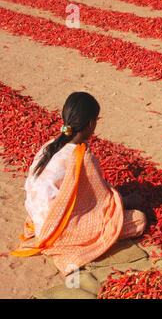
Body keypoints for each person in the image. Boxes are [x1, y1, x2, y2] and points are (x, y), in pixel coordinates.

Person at [10, 92, 147, 275]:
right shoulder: (83, 157)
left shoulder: (49, 146)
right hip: (56, 231)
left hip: (40, 221)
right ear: (91, 124)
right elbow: (102, 202)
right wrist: (126, 200)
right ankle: (68, 248)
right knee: (138, 220)